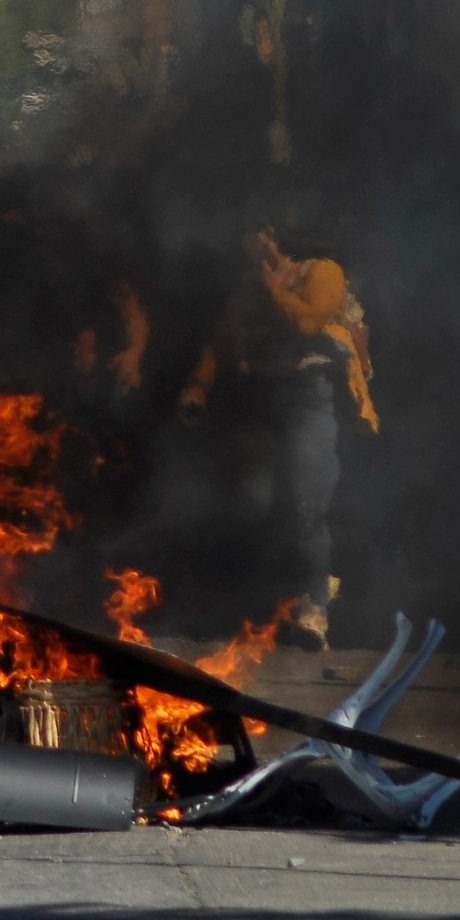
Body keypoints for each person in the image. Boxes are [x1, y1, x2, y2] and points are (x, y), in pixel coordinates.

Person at [179, 217, 378, 651]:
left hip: (313, 397)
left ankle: (315, 608)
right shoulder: (252, 284)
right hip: (266, 397)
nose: (245, 244)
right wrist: (199, 383)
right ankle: (288, 598)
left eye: (250, 233)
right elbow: (223, 339)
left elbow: (307, 323)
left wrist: (276, 292)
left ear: (268, 233)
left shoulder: (321, 271)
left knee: (307, 503)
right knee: (261, 501)